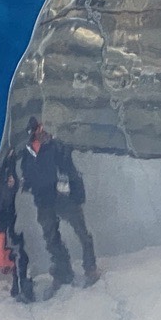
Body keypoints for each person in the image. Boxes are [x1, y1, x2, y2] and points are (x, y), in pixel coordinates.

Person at [19, 116, 98, 299]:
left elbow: (70, 171)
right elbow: (27, 174)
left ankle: (90, 268)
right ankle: (63, 272)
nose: (36, 133)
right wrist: (26, 184)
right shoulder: (27, 153)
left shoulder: (56, 147)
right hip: (43, 200)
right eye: (33, 131)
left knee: (81, 231)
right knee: (51, 238)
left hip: (63, 197)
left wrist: (76, 194)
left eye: (37, 129)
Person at [0, 149, 34, 303]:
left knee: (19, 253)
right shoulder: (5, 183)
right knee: (17, 253)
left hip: (14, 221)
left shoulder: (9, 183)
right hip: (10, 222)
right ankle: (20, 286)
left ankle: (21, 286)